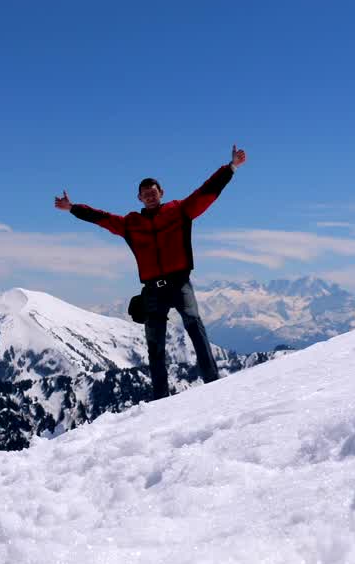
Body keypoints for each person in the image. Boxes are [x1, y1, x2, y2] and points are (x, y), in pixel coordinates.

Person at [55, 145, 246, 400]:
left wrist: (231, 167)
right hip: (152, 291)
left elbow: (206, 193)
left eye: (153, 193)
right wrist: (72, 208)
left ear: (161, 193)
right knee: (155, 347)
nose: (150, 197)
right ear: (139, 198)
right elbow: (101, 218)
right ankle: (160, 399)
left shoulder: (180, 211)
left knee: (194, 326)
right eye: (145, 194)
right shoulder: (130, 224)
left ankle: (213, 382)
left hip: (180, 284)